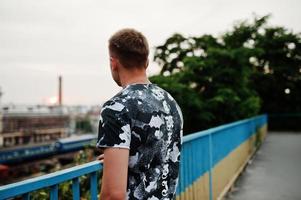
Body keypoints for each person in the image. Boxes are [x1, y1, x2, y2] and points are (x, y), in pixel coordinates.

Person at [96, 28, 183, 200]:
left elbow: (113, 195)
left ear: (113, 63)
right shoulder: (170, 102)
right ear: (147, 62)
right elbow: (160, 156)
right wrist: (118, 163)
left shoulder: (116, 108)